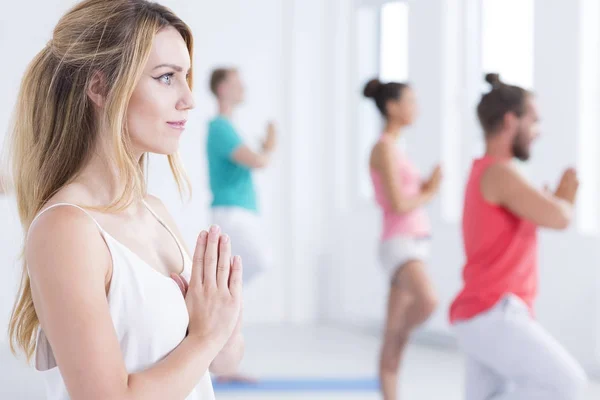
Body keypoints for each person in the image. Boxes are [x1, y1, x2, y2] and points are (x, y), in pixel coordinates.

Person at [7, 1, 244, 399]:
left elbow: (225, 361)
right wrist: (205, 336)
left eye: (186, 77)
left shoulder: (155, 211)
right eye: (166, 77)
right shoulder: (66, 230)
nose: (189, 99)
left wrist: (223, 312)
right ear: (100, 88)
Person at [450, 73, 588, 400]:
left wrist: (553, 201)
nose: (537, 132)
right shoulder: (500, 172)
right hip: (495, 312)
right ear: (511, 120)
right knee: (567, 384)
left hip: (480, 315)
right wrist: (565, 198)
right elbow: (558, 218)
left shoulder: (488, 171)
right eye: (534, 121)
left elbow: (538, 214)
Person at [364, 78, 441, 400]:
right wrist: (430, 191)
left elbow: (406, 195)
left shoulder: (396, 148)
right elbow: (398, 203)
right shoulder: (383, 148)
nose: (416, 108)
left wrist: (424, 188)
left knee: (393, 343)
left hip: (416, 242)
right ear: (392, 107)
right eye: (410, 101)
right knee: (428, 301)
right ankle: (398, 333)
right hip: (400, 243)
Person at [205, 68, 276, 383]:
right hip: (232, 212)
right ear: (222, 88)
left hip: (239, 211)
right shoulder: (220, 127)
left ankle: (224, 361)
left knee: (234, 285)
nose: (243, 87)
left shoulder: (228, 127)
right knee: (241, 277)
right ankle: (219, 357)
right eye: (237, 82)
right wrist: (270, 145)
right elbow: (258, 161)